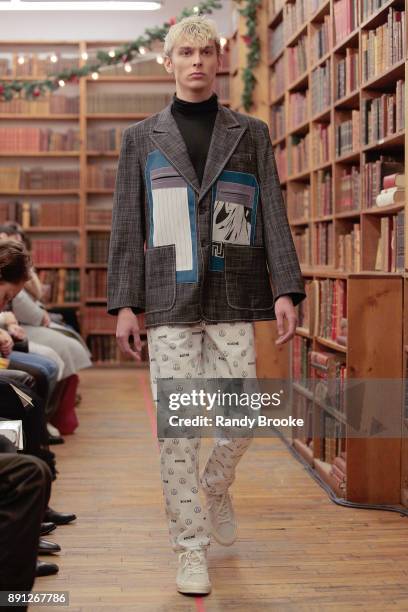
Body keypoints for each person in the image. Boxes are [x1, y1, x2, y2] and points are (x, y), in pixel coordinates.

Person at [107, 15, 306, 596]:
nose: (196, 61)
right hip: (168, 297)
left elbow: (271, 211)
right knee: (178, 432)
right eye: (184, 52)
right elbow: (127, 225)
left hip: (233, 292)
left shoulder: (251, 133)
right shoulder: (139, 139)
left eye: (206, 51)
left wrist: (285, 289)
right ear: (167, 62)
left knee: (240, 418)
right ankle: (189, 547)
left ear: (220, 61)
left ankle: (215, 486)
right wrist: (125, 304)